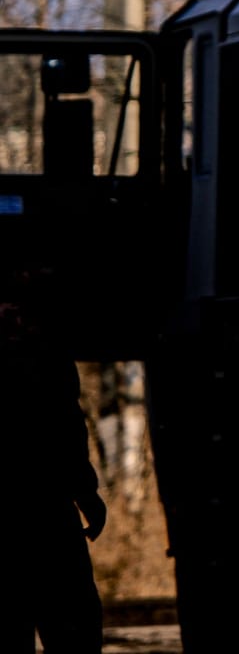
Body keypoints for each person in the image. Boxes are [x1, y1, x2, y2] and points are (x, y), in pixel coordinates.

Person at [0, 280, 107, 654]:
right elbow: (65, 429)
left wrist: (86, 493)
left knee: (71, 628)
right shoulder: (46, 358)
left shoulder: (46, 358)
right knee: (72, 628)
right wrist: (87, 495)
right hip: (46, 517)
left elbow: (66, 429)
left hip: (46, 514)